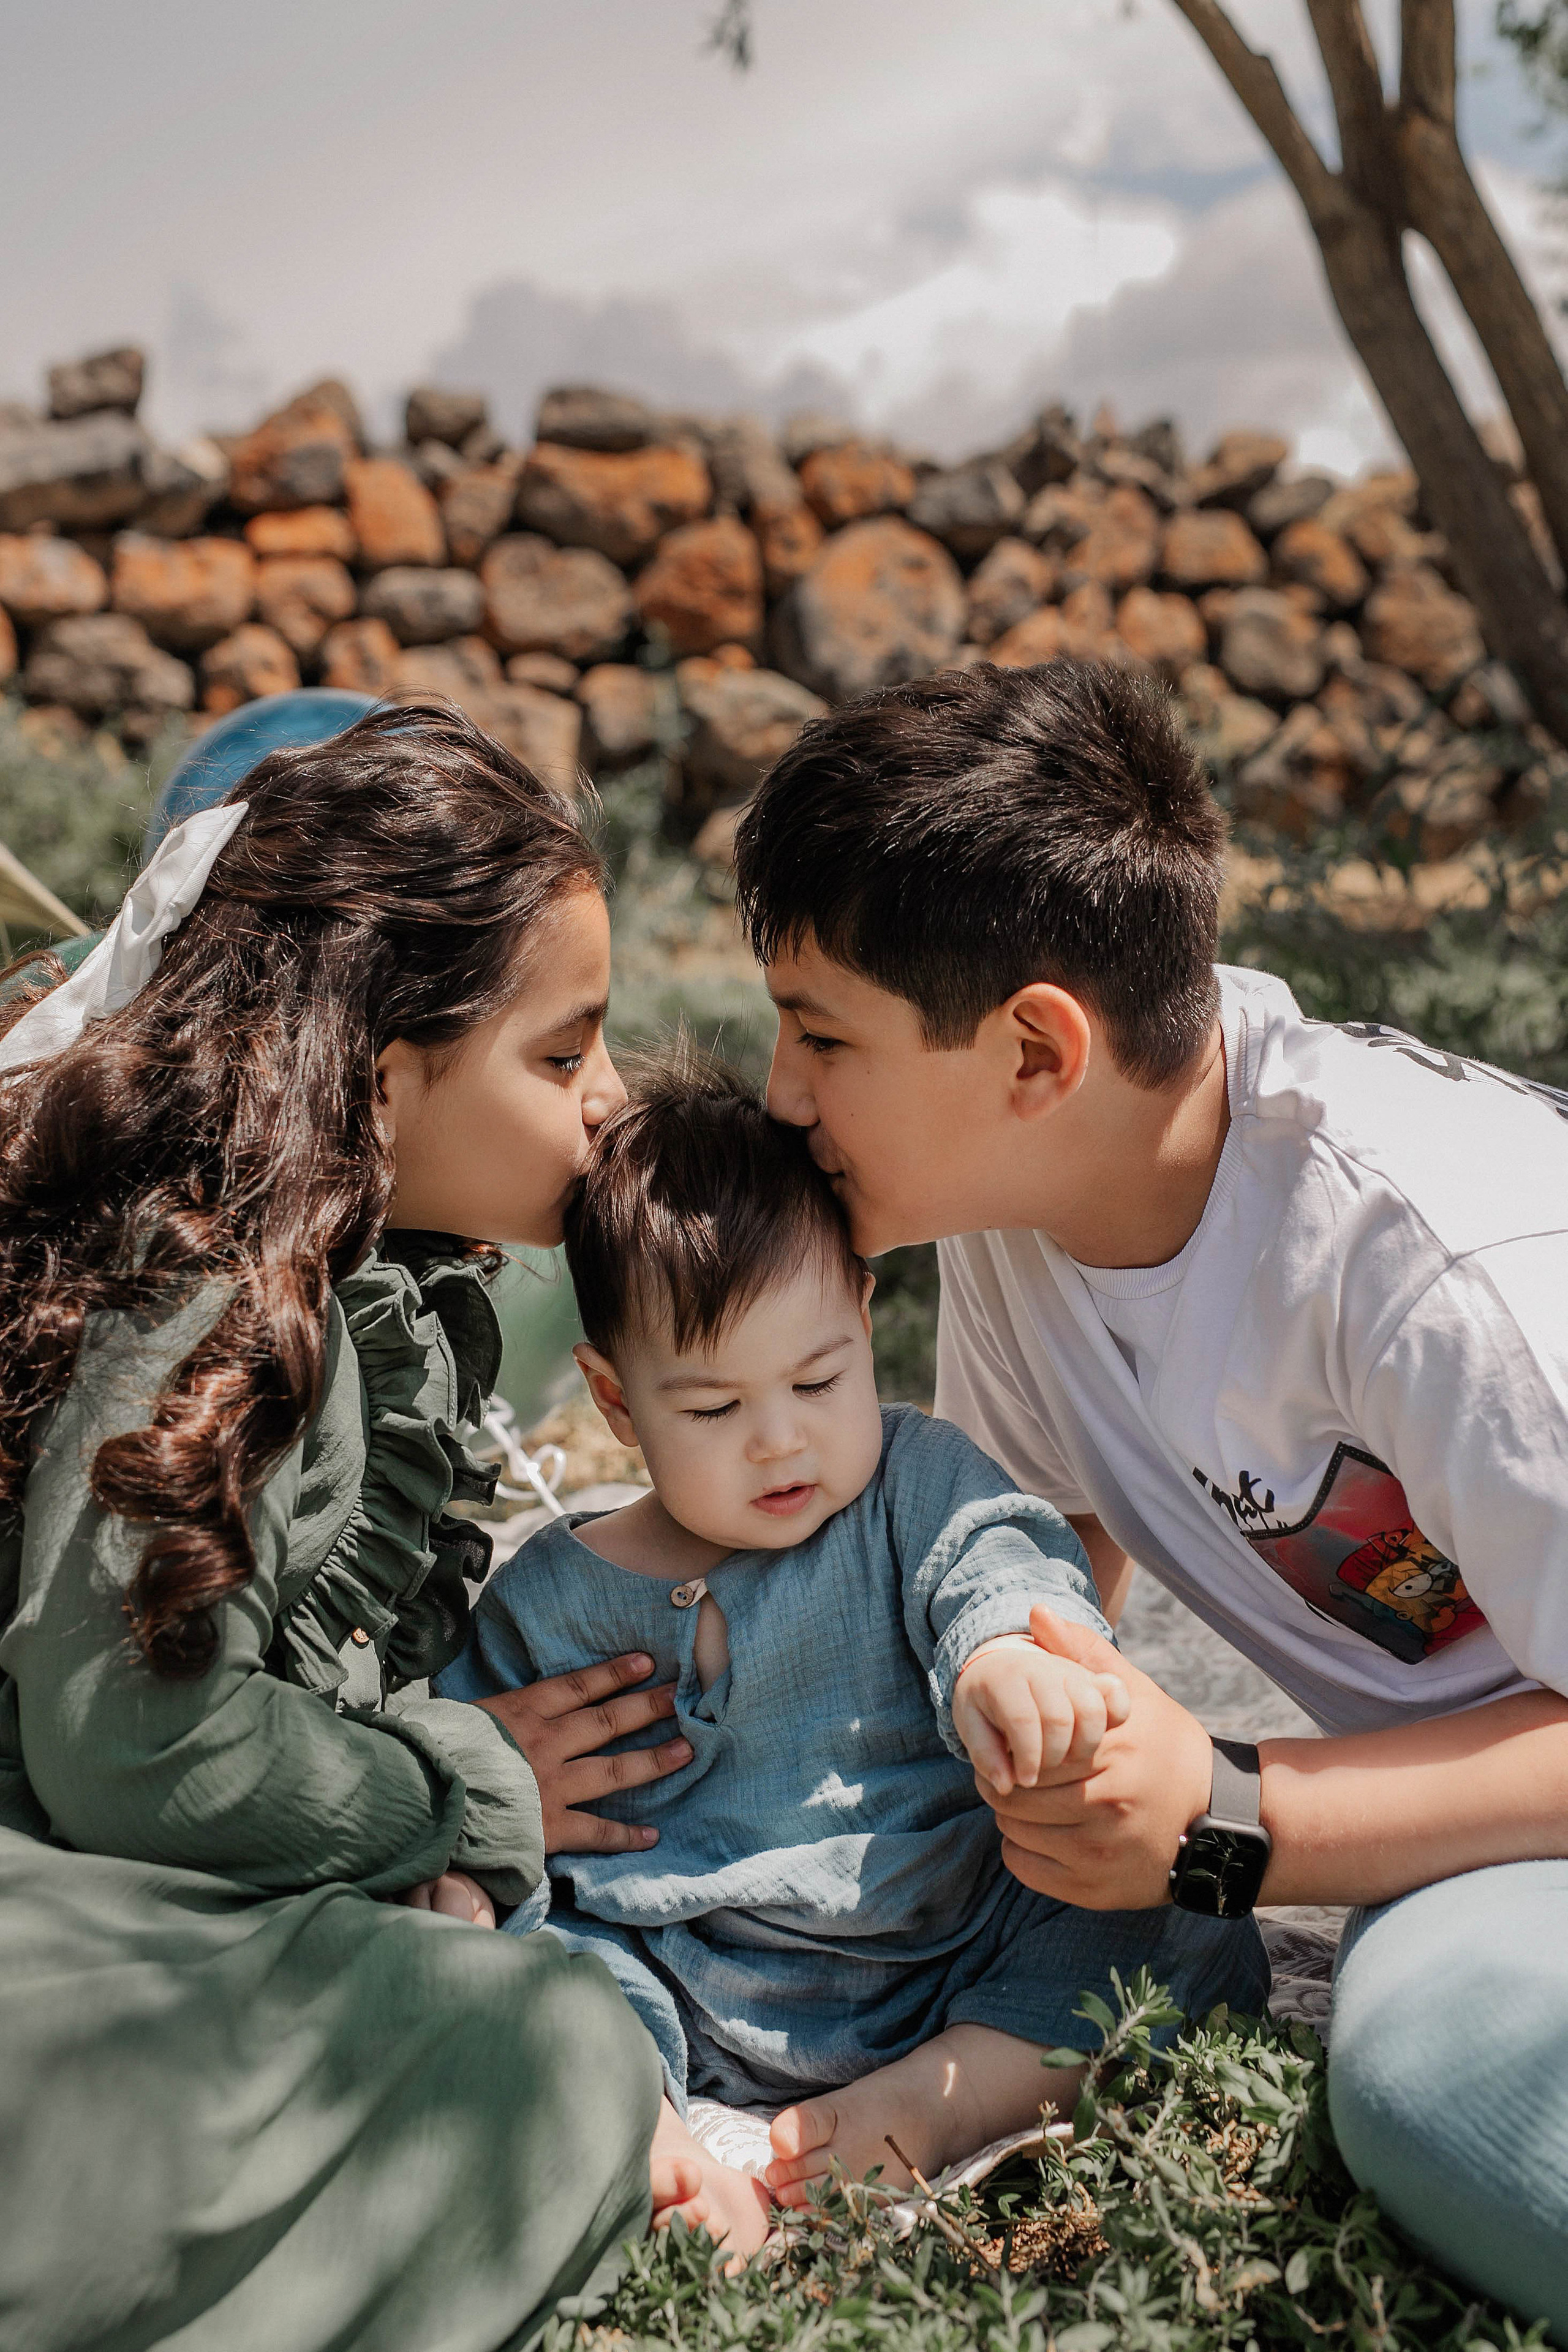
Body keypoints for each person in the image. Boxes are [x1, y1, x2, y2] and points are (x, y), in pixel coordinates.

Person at [732, 658, 1568, 2336]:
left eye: (823, 1034)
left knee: (1429, 2068)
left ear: (1038, 1048)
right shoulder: (1025, 1205)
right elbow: (1045, 1569)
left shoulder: (1436, 1275)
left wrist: (1238, 1822)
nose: (780, 1095)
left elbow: (1217, 1810)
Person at [0, 702, 701, 2352]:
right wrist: (455, 1788)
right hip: (54, 1902)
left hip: (112, 1890)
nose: (610, 1100)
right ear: (384, 1077)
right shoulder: (213, 1297)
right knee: (550, 2054)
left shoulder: (354, 1283)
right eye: (560, 1052)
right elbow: (135, 1752)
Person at [437, 1055, 1268, 2263]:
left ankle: (941, 2101)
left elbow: (1000, 1559)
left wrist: (1004, 1658)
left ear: (865, 1317)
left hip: (949, 1947)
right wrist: (470, 1851)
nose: (781, 1441)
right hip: (676, 1975)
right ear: (615, 1405)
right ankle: (651, 2135)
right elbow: (468, 1753)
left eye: (819, 1379)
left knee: (1182, 1915)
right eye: (712, 1411)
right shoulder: (553, 1599)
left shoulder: (909, 1485)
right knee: (529, 1965)